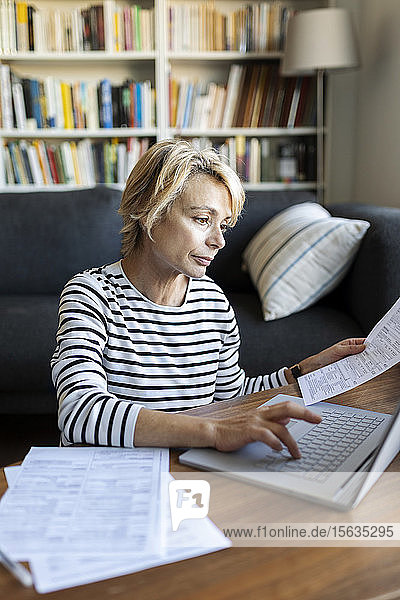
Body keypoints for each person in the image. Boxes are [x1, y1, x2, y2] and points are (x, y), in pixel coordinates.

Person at [51, 139, 365, 458]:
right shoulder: (92, 294)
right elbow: (80, 412)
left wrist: (298, 374)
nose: (218, 241)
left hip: (183, 472)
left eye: (223, 226)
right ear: (146, 211)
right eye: (202, 219)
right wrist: (214, 432)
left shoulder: (212, 301)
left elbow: (231, 397)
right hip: (106, 477)